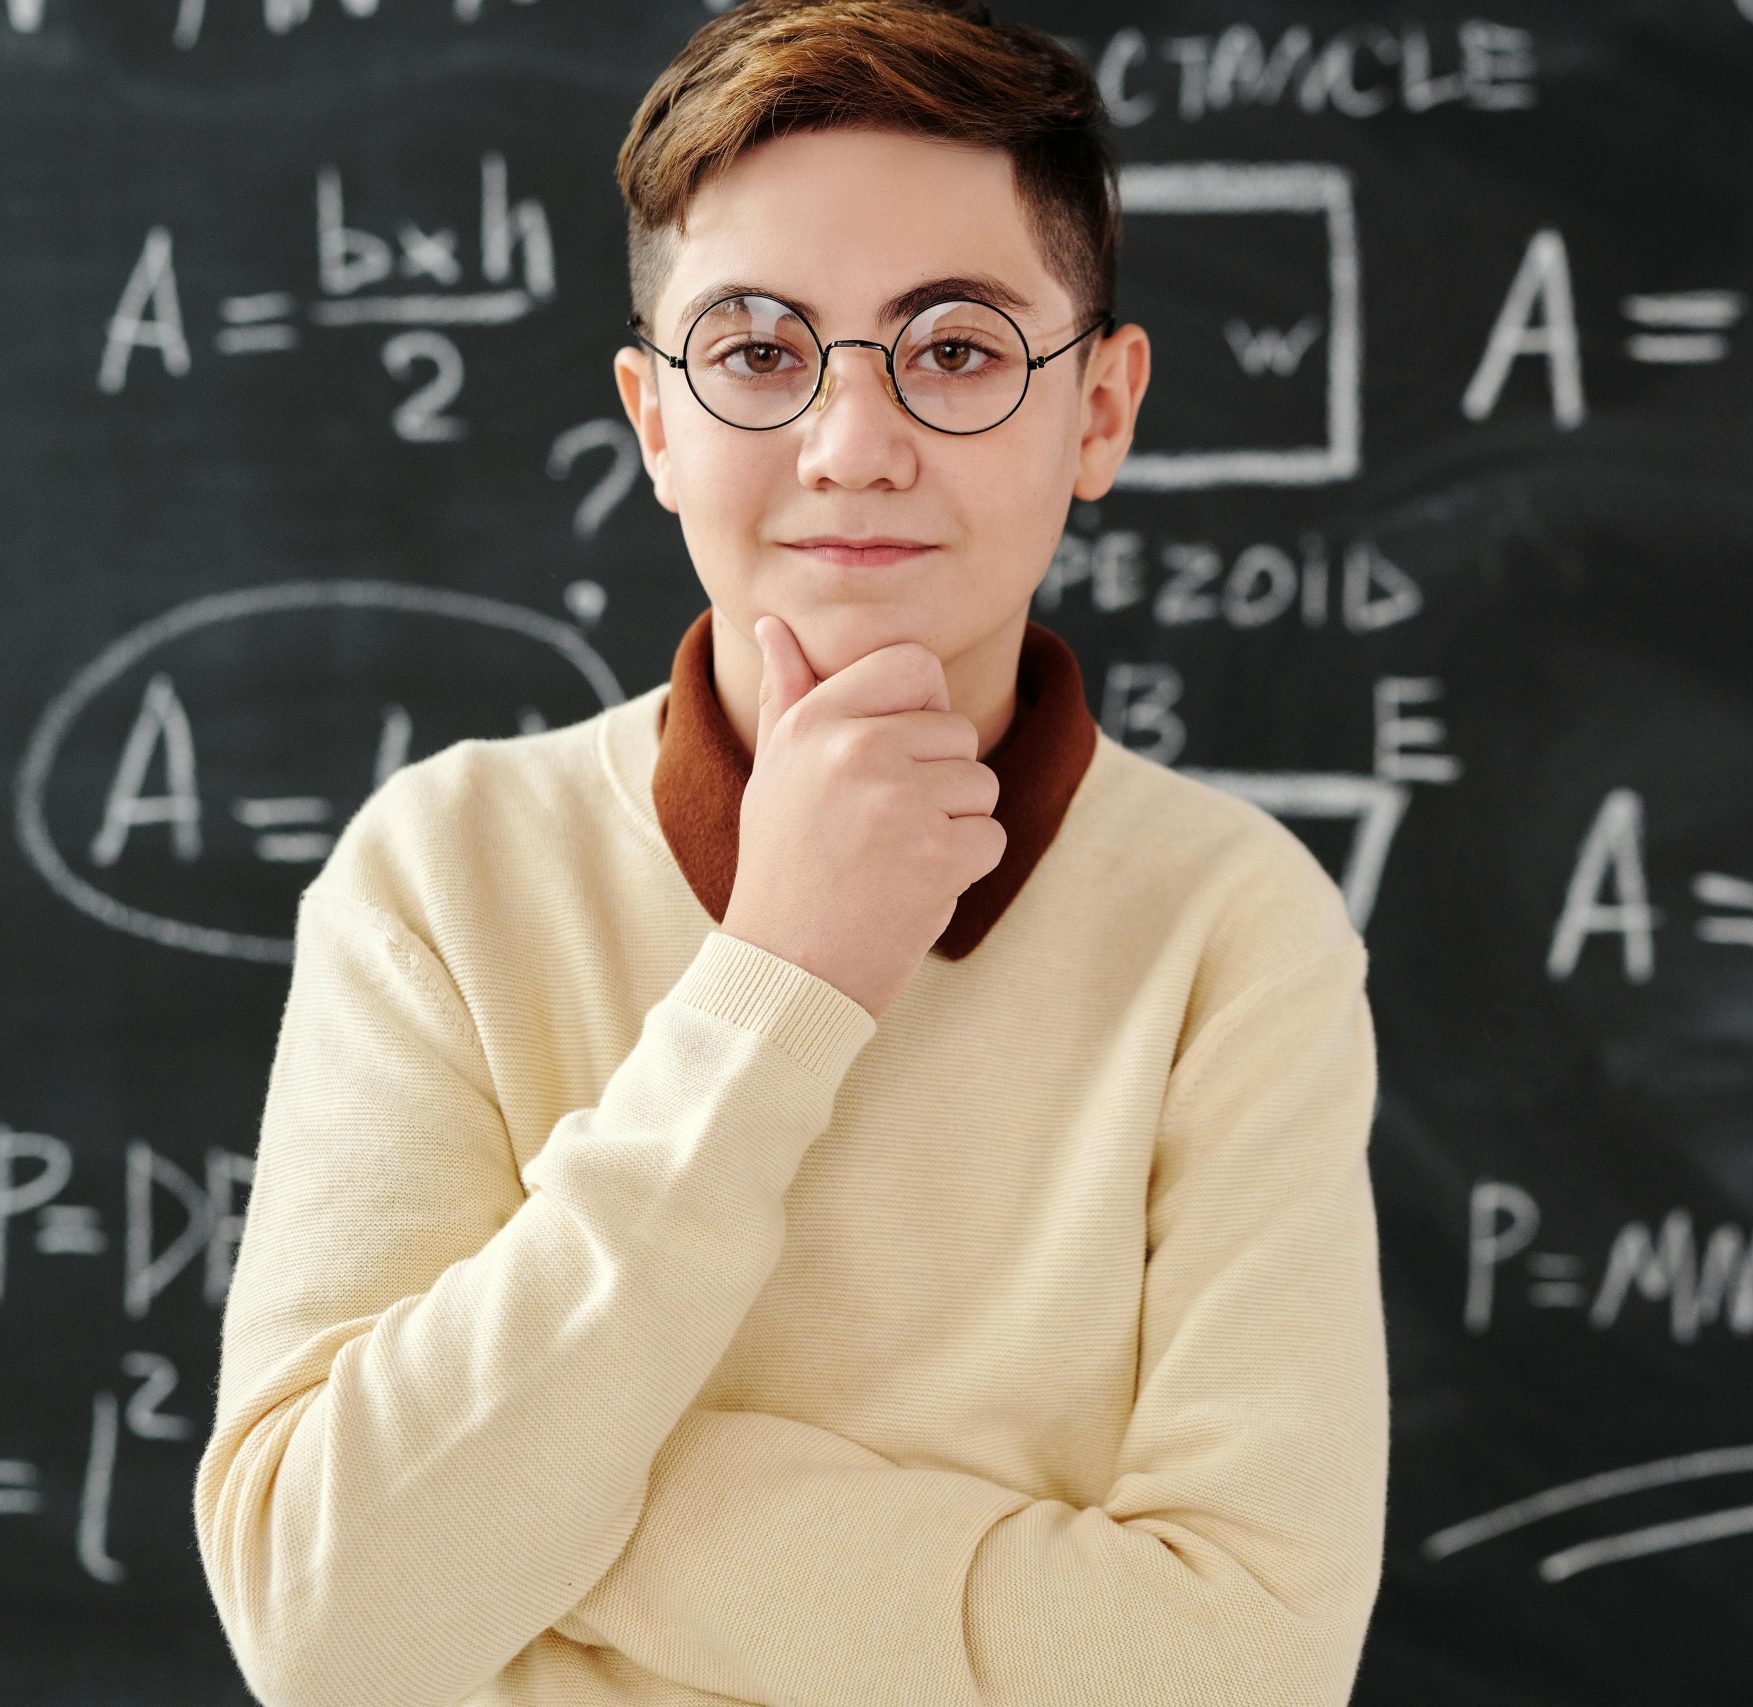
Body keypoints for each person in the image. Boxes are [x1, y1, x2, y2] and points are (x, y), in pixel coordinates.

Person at [190, 3, 1388, 1702]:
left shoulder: (1229, 929)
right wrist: (778, 983)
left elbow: (1242, 1663)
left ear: (1101, 412)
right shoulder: (444, 878)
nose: (853, 446)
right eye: (757, 352)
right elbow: (326, 1626)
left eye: (956, 350)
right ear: (654, 419)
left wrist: (549, 1506)